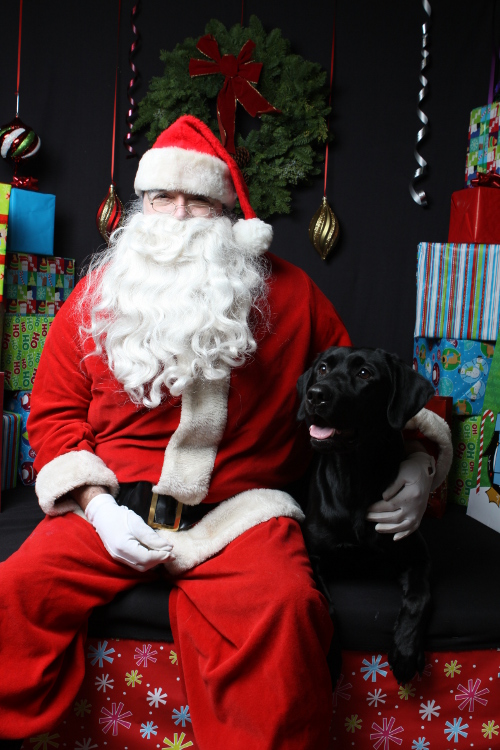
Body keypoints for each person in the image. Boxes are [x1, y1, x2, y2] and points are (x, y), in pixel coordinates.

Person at [0, 115, 451, 747]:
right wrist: (95, 508)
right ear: (140, 206)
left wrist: (418, 458)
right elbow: (53, 413)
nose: (179, 215)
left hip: (239, 517)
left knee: (288, 610)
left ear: (230, 214)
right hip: (112, 508)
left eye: (199, 200)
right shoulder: (96, 295)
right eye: (162, 197)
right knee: (12, 592)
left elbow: (366, 392)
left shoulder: (294, 296)